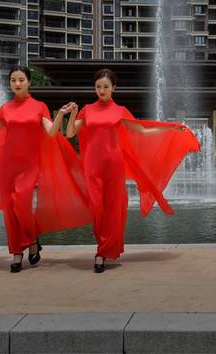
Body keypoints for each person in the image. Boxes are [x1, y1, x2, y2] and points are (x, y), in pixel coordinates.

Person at [0, 67, 92, 272]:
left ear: (29, 82)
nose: (17, 84)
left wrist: (62, 114)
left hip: (29, 166)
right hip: (7, 165)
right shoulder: (6, 108)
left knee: (21, 203)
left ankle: (32, 240)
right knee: (10, 210)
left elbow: (51, 132)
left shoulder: (39, 107)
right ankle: (17, 252)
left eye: (21, 80)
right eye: (13, 80)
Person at [65, 68, 200, 272]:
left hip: (114, 165)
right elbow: (70, 133)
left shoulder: (120, 111)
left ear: (113, 88)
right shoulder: (88, 110)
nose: (102, 90)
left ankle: (102, 252)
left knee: (112, 209)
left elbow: (143, 130)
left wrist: (170, 127)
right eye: (98, 86)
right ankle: (105, 247)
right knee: (97, 209)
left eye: (106, 86)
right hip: (92, 166)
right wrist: (73, 113)